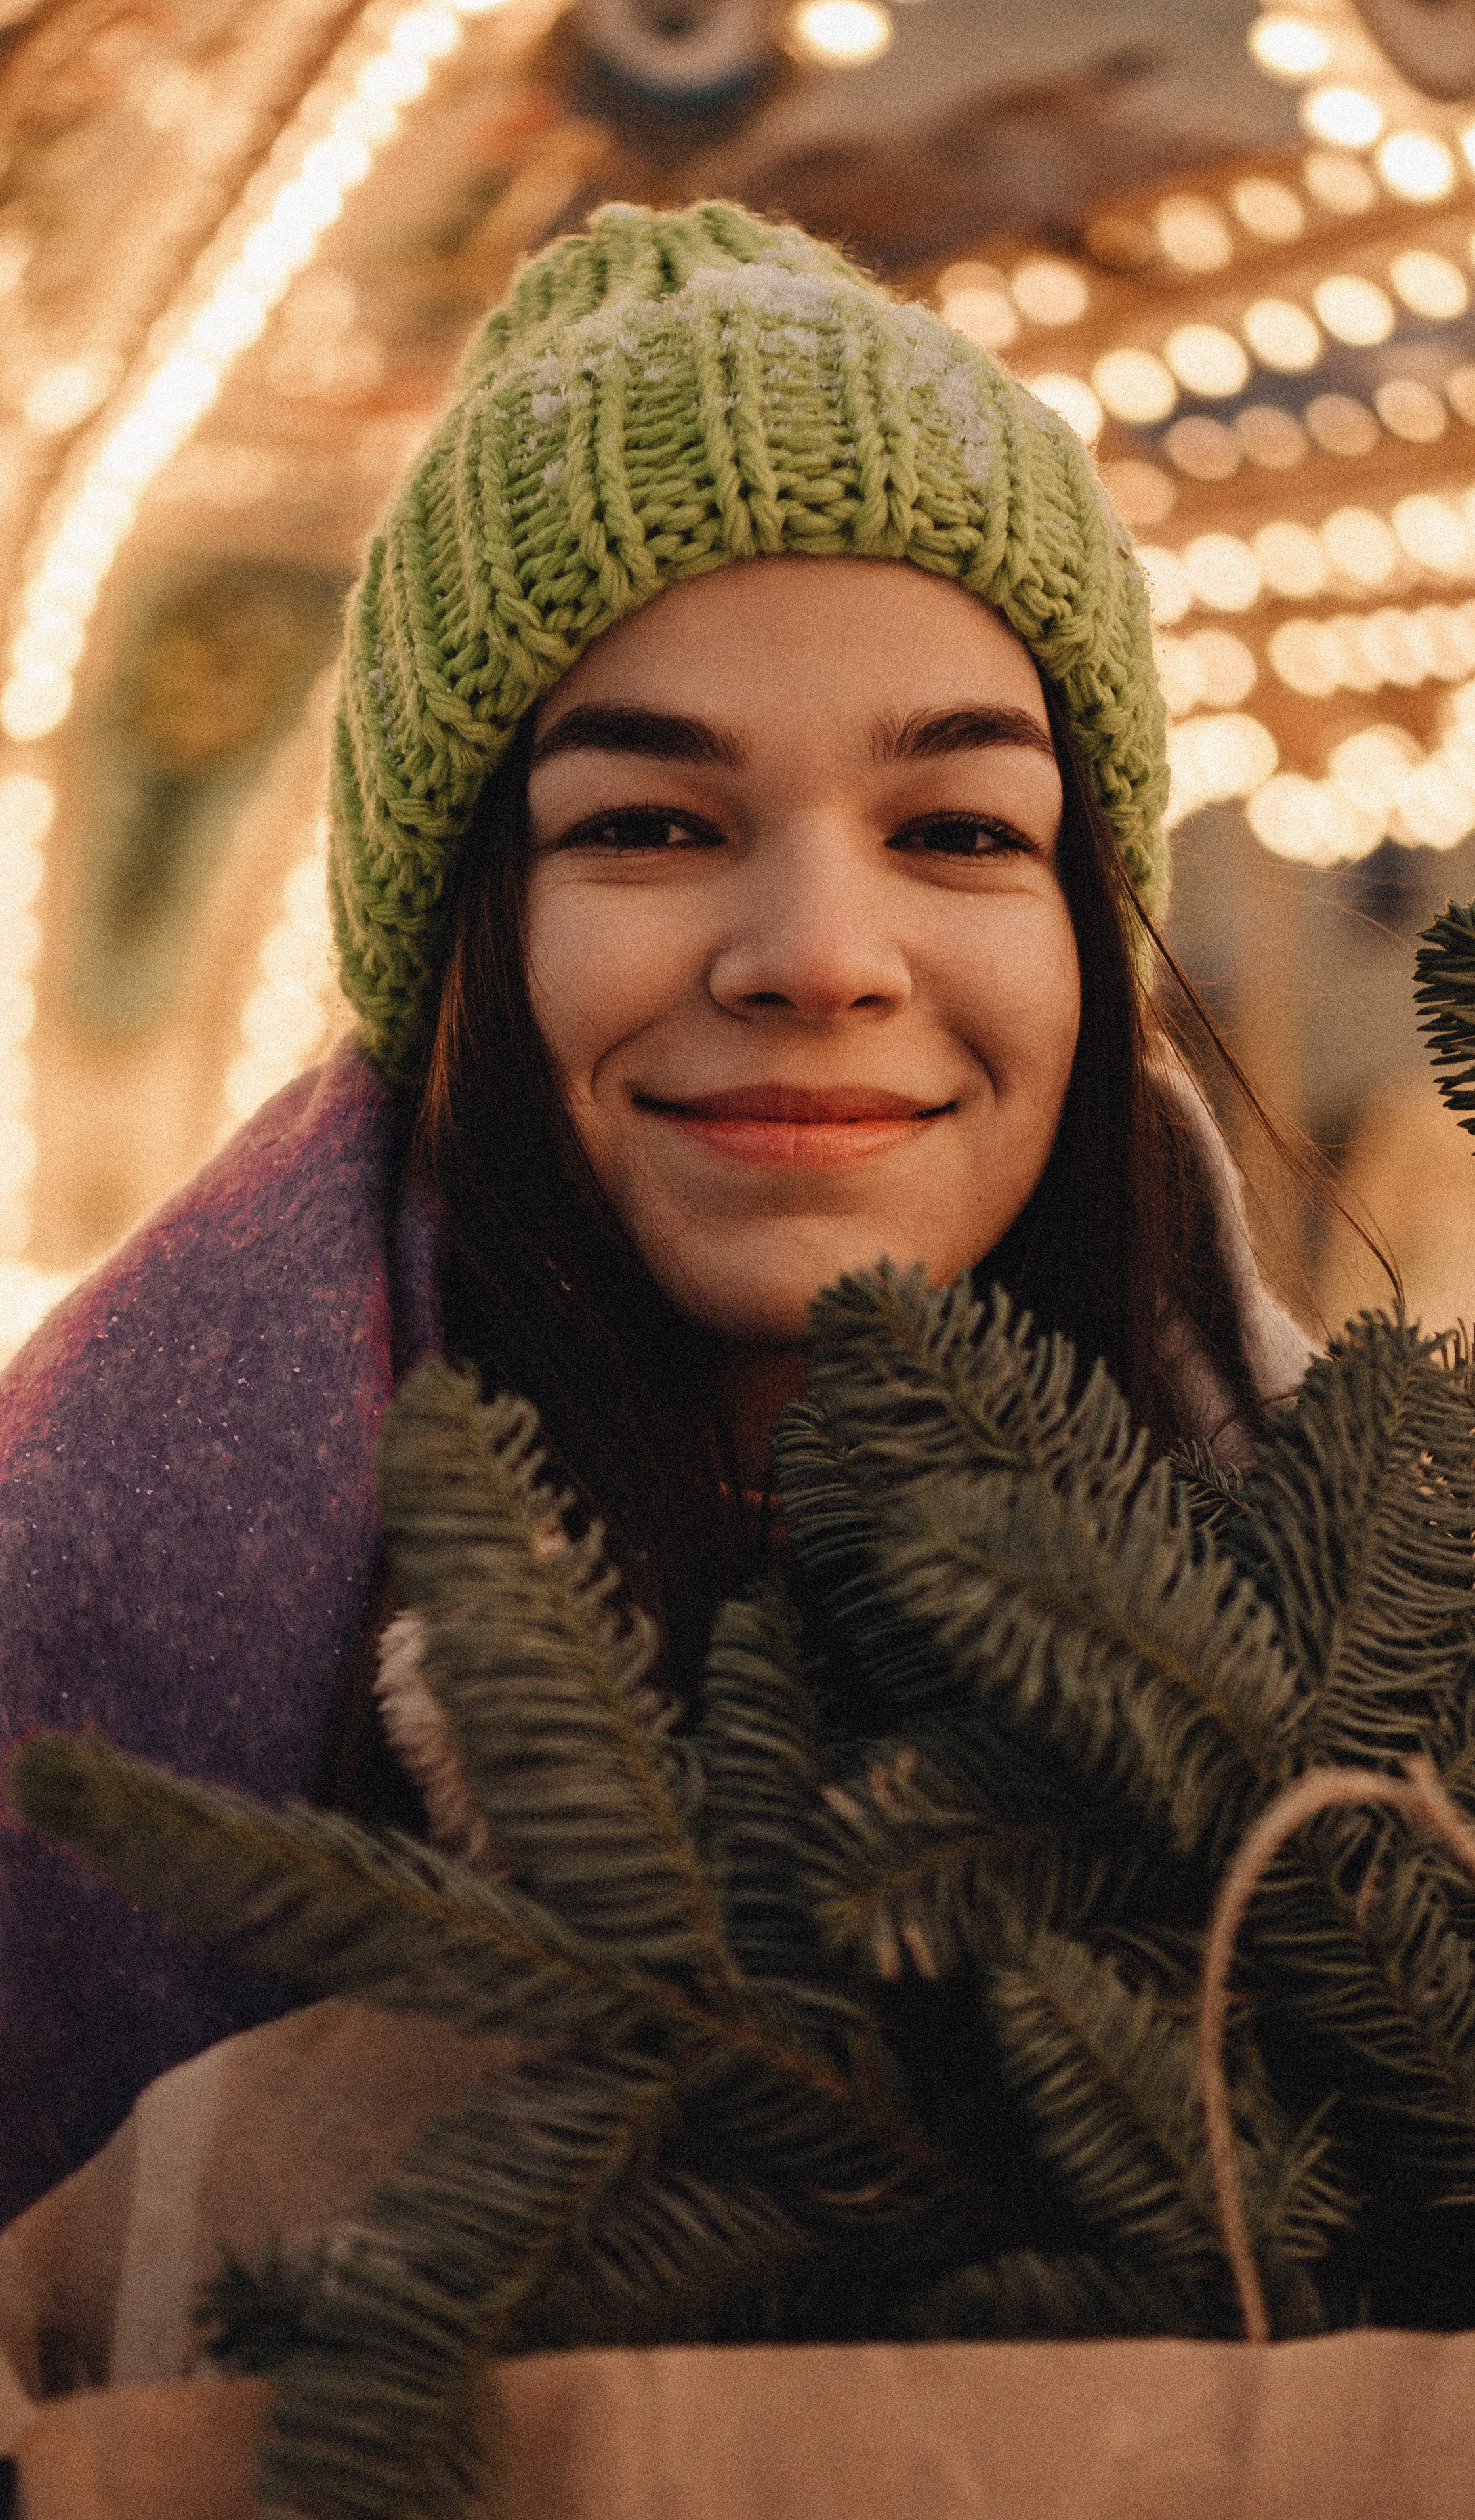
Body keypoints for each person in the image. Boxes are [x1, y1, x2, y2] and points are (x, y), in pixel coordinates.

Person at [0, 201, 1308, 2225]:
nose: (818, 953)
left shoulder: (1389, 1622)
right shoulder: (83, 1614)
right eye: (649, 826)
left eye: (959, 829)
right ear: (460, 945)